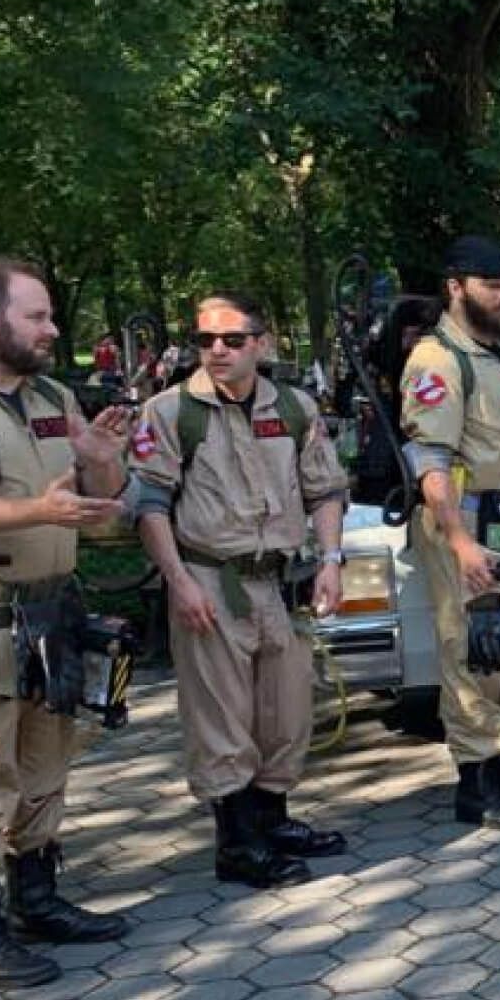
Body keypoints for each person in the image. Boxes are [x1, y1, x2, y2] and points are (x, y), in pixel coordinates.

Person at [130, 292, 351, 889]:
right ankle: (237, 844)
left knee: (286, 710)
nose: (218, 351)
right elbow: (149, 504)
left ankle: (272, 820)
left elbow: (326, 491)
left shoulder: (294, 408)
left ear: (262, 342)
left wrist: (330, 561)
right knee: (221, 716)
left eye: (232, 340)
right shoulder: (172, 411)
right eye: (206, 341)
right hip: (208, 579)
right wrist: (177, 582)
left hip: (277, 581)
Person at [0, 257, 134, 988]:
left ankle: (35, 898)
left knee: (46, 765)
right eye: (37, 316)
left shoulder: (50, 395)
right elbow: (32, 506)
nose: (51, 329)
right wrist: (37, 511)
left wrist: (101, 464)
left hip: (51, 613)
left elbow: (103, 501)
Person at [398, 236, 500, 831]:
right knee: (475, 651)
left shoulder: (495, 354)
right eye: (492, 286)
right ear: (455, 287)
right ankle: (477, 783)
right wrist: (462, 543)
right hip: (461, 525)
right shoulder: (438, 360)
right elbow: (431, 464)